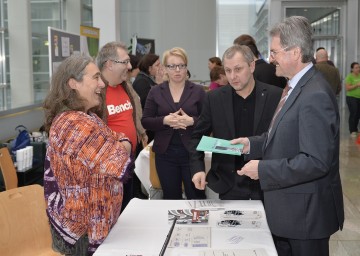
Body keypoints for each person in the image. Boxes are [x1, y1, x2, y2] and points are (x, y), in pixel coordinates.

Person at [233, 16, 344, 256]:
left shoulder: (314, 94)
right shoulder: (295, 86)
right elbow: (282, 136)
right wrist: (250, 144)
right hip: (290, 213)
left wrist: (262, 170)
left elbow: (315, 162)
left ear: (294, 52)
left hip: (305, 217)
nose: (270, 58)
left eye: (274, 52)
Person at [43, 54, 132, 256]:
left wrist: (118, 141)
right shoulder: (75, 124)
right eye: (95, 77)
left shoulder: (87, 118)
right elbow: (118, 158)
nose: (102, 83)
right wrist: (122, 143)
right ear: (73, 83)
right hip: (83, 231)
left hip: (92, 224)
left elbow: (116, 139)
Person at [190, 45, 282, 200]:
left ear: (252, 66)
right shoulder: (214, 98)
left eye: (238, 69)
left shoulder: (275, 96)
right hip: (228, 183)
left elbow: (281, 139)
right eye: (228, 70)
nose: (232, 76)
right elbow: (197, 137)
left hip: (265, 183)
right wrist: (197, 169)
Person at [141, 47, 206, 200]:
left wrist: (192, 121)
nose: (177, 70)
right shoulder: (155, 92)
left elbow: (208, 121)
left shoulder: (198, 91)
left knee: (196, 196)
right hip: (165, 155)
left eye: (181, 65)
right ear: (164, 69)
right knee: (171, 198)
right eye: (172, 66)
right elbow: (145, 121)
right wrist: (165, 120)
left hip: (192, 154)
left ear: (186, 67)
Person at [96, 41, 139, 211]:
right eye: (125, 62)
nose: (129, 66)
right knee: (113, 213)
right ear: (109, 64)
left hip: (129, 160)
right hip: (110, 168)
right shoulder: (97, 93)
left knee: (127, 208)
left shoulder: (124, 86)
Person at [344, 62, 360, 137]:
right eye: (356, 68)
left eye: (358, 67)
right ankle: (352, 130)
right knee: (354, 113)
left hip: (359, 98)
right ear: (352, 69)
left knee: (358, 114)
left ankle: (356, 129)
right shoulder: (349, 77)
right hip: (351, 98)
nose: (358, 69)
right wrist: (356, 85)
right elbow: (347, 88)